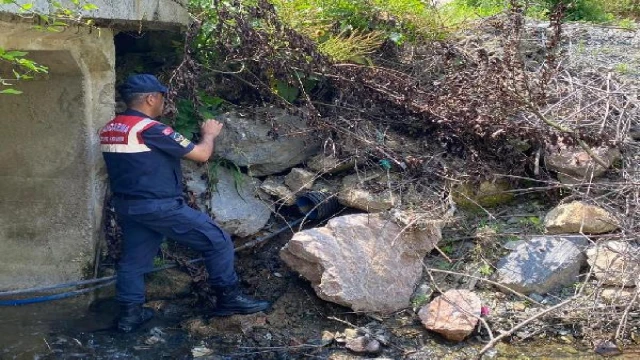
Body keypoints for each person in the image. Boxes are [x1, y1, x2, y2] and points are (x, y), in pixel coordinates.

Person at [100, 74, 270, 333]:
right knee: (217, 240)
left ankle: (130, 315)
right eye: (162, 97)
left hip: (129, 207)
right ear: (150, 98)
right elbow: (201, 154)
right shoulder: (151, 129)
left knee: (133, 262)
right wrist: (209, 134)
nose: (164, 103)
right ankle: (229, 299)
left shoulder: (112, 128)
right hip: (160, 207)